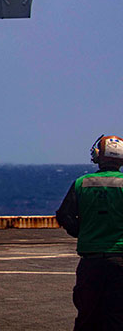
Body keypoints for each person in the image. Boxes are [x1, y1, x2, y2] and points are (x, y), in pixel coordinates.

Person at [56, 135, 123, 330]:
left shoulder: (81, 183)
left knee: (87, 317)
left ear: (98, 155)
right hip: (120, 260)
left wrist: (83, 232)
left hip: (91, 262)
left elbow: (64, 216)